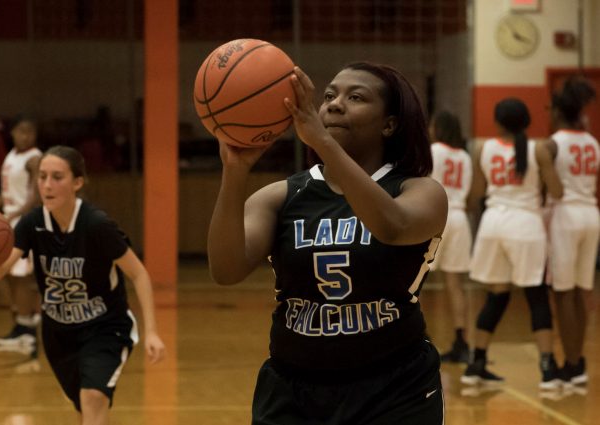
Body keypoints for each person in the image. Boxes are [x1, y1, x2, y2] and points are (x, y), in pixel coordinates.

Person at [208, 62, 447, 424]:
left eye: (355, 97)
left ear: (390, 124)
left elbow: (393, 227)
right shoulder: (283, 196)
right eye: (330, 96)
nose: (335, 105)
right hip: (293, 388)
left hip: (395, 387)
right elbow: (226, 269)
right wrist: (235, 169)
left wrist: (321, 140)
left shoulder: (417, 191)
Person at [0, 145, 165, 424]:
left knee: (92, 398)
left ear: (77, 182)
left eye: (57, 177)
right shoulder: (32, 223)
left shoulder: (96, 225)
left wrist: (152, 332)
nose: (47, 185)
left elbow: (139, 274)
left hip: (105, 328)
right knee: (85, 411)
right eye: (42, 177)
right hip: (59, 334)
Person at [462, 98, 563, 390]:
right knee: (537, 297)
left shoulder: (484, 149)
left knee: (496, 296)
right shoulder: (539, 149)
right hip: (525, 226)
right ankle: (547, 368)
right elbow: (557, 190)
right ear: (528, 121)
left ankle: (476, 364)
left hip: (493, 224)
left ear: (497, 122)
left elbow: (475, 195)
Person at [546, 77, 598, 386]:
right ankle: (579, 363)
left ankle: (570, 361)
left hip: (566, 217)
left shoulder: (553, 143)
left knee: (563, 294)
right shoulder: (592, 142)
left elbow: (554, 190)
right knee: (582, 291)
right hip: (591, 213)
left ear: (558, 112)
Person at [0, 116, 43, 351]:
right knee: (2, 273)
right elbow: (6, 192)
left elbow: (38, 195)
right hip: (9, 220)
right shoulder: (11, 156)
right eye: (21, 131)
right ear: (12, 133)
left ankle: (28, 330)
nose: (25, 136)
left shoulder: (35, 158)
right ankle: (23, 321)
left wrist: (15, 214)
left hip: (25, 222)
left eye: (30, 132)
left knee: (21, 277)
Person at [428, 110, 473, 363]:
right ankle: (461, 342)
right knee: (455, 284)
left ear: (439, 128)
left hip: (437, 216)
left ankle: (416, 341)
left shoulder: (434, 151)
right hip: (459, 217)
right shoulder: (465, 156)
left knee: (417, 282)